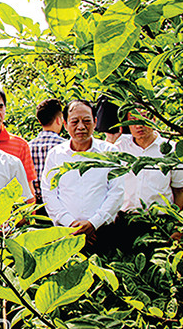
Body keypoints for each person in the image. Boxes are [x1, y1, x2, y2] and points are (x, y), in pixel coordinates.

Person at [41, 100, 124, 251]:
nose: (81, 127)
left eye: (86, 121)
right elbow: (48, 193)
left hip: (103, 233)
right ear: (65, 124)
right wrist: (72, 225)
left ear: (95, 122)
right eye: (74, 121)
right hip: (66, 234)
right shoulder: (56, 155)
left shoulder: (110, 152)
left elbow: (117, 192)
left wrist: (93, 223)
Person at [112, 110, 183, 246]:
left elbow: (182, 191)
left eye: (144, 117)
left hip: (160, 222)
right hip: (125, 221)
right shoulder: (119, 149)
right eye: (133, 119)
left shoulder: (171, 150)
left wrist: (178, 226)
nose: (138, 125)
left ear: (154, 118)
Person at [28, 98, 65, 206]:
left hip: (35, 204)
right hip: (59, 203)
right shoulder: (64, 146)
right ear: (59, 120)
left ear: (39, 121)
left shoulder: (28, 146)